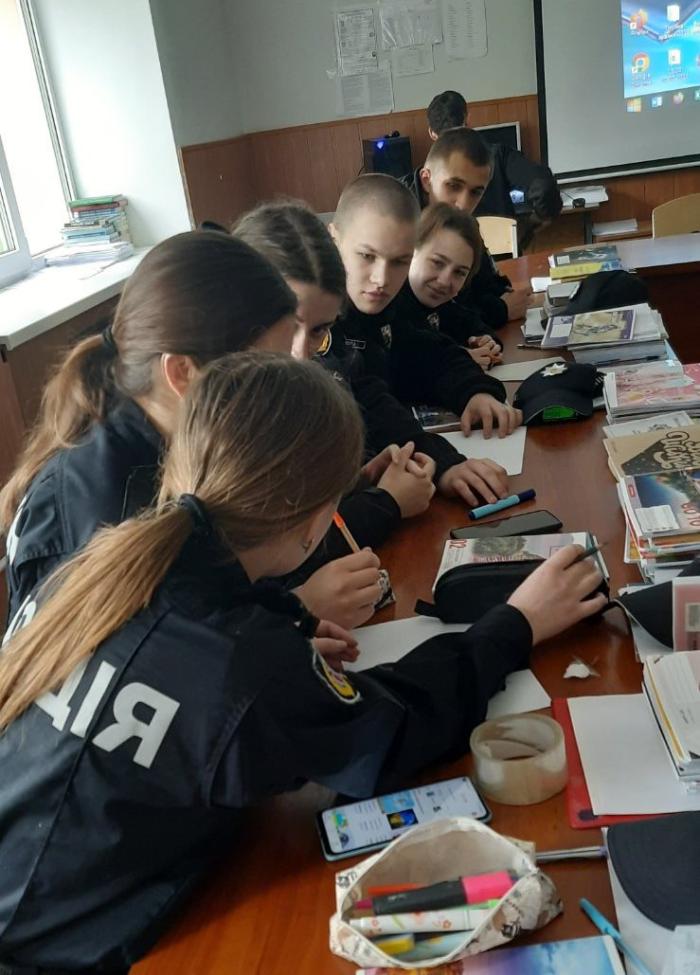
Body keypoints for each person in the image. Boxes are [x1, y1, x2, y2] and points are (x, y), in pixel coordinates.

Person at [0, 351, 607, 973]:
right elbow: (395, 730)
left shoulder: (99, 563)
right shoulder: (241, 662)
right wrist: (519, 621)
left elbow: (177, 666)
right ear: (317, 520)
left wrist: (284, 636)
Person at [0, 231, 381, 631]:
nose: (282, 391)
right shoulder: (105, 505)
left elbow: (217, 582)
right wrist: (294, 611)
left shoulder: (164, 440)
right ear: (182, 372)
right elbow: (152, 647)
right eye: (261, 374)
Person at [233, 199, 436, 569]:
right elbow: (273, 562)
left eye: (319, 332)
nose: (300, 354)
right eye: (287, 327)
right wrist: (386, 504)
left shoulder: (292, 388)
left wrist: (356, 483)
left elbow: (300, 514)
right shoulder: (226, 417)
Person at [401, 126, 534, 330]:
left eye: (475, 192)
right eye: (454, 186)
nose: (463, 204)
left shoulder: (462, 221)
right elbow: (428, 316)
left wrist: (500, 301)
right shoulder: (397, 224)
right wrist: (500, 310)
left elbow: (488, 285)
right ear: (426, 180)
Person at [426, 90, 562, 226]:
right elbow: (544, 186)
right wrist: (532, 224)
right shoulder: (498, 155)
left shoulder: (427, 177)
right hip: (504, 238)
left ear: (432, 133)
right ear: (467, 119)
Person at [393, 203, 503, 369]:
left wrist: (485, 342)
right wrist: (459, 359)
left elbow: (472, 324)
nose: (444, 281)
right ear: (410, 252)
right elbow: (408, 360)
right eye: (437, 263)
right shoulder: (390, 306)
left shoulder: (444, 305)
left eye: (459, 272)